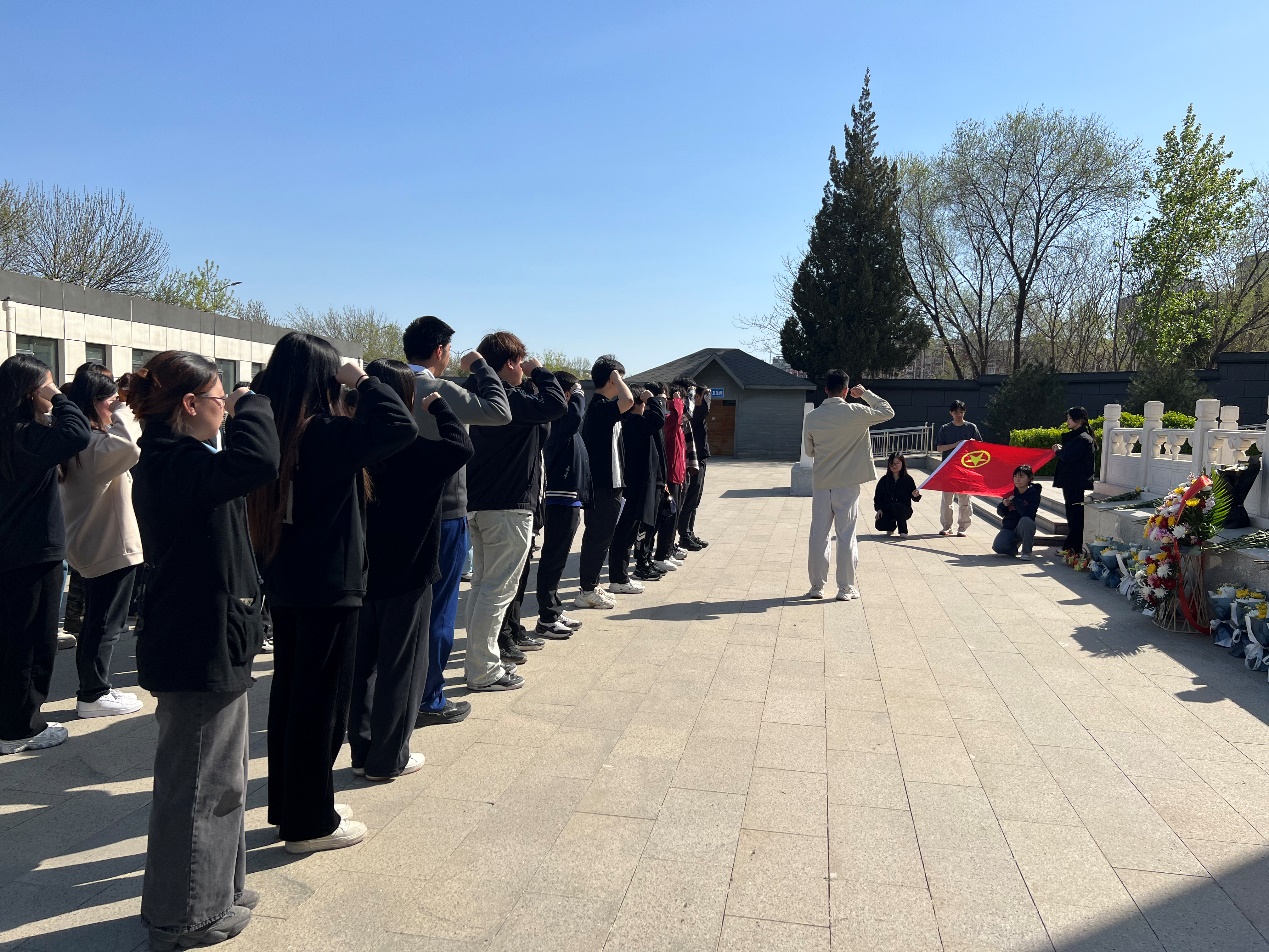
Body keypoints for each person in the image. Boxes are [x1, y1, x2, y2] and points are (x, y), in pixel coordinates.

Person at [127, 350, 280, 948]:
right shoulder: (173, 462)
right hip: (195, 642)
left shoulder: (183, 459)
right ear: (189, 405)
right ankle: (183, 916)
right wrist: (255, 402)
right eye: (219, 401)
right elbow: (259, 459)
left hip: (216, 634)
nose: (226, 410)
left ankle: (218, 890)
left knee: (224, 779)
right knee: (197, 785)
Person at [249, 333, 417, 854]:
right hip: (329, 584)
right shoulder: (322, 431)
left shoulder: (273, 428)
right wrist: (364, 381)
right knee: (322, 704)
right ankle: (310, 821)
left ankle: (291, 805)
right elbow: (400, 427)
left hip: (286, 577)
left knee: (291, 696)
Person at [349, 359, 472, 782]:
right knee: (402, 668)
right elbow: (461, 446)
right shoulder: (415, 450)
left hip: (360, 574)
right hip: (409, 573)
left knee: (362, 669)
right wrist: (440, 407)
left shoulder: (352, 445)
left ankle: (362, 751)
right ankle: (389, 759)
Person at [402, 316, 512, 726]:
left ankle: (392, 692)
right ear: (440, 350)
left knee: (400, 607)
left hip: (391, 510)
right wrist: (481, 367)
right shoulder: (436, 389)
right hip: (444, 511)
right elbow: (499, 412)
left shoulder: (381, 385)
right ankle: (429, 697)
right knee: (439, 609)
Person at [463, 331, 566, 691]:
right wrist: (541, 372)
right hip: (508, 508)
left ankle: (480, 662)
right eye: (520, 362)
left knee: (482, 588)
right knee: (495, 592)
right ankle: (483, 670)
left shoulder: (479, 396)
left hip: (480, 505)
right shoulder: (508, 399)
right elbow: (556, 405)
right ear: (509, 363)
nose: (524, 368)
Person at [0, 355, 91, 755]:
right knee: (32, 642)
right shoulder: (29, 436)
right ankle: (22, 727)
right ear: (30, 392)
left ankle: (11, 720)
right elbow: (78, 434)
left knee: (11, 639)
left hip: (11, 550)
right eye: (46, 385)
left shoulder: (11, 433)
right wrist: (59, 398)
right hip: (35, 552)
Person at [59, 367, 145, 718]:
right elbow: (129, 446)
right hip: (110, 546)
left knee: (98, 621)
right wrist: (127, 405)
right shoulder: (93, 445)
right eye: (110, 401)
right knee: (105, 624)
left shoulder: (78, 442)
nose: (116, 407)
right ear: (94, 403)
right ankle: (93, 694)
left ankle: (96, 689)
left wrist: (118, 404)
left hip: (94, 543)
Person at [803, 370, 894, 600]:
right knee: (845, 535)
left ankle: (817, 586)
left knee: (818, 535)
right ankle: (845, 587)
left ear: (826, 389)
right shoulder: (857, 412)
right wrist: (865, 394)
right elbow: (887, 411)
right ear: (846, 390)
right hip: (848, 483)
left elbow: (809, 451)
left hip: (822, 483)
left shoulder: (812, 417)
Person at [576, 355, 636, 606]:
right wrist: (616, 377)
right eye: (619, 378)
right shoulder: (599, 407)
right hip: (602, 484)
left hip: (611, 483)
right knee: (598, 537)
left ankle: (592, 585)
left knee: (602, 537)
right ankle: (587, 590)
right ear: (612, 379)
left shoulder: (606, 408)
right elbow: (629, 400)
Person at [536, 370, 589, 638]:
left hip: (570, 497)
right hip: (559, 497)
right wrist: (577, 393)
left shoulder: (566, 422)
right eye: (575, 391)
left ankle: (554, 609)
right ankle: (547, 617)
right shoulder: (558, 419)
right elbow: (576, 415)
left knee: (558, 558)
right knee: (553, 557)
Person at [612, 387, 668, 587]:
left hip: (637, 485)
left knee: (630, 532)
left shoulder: (633, 422)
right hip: (634, 487)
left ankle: (622, 576)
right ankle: (619, 578)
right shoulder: (633, 422)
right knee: (626, 533)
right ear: (637, 404)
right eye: (643, 404)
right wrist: (652, 399)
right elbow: (659, 419)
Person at [1052, 406, 1096, 555]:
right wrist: (1061, 449)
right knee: (1071, 514)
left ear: (1079, 420)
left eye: (1070, 419)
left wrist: (1059, 451)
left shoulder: (1083, 438)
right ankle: (1072, 547)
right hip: (1071, 482)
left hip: (1075, 482)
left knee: (1075, 516)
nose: (1068, 421)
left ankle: (1071, 547)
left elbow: (1069, 457)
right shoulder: (1078, 437)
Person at [652, 384, 687, 573]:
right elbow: (676, 416)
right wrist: (676, 400)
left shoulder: (676, 424)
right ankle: (661, 556)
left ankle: (667, 551)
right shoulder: (667, 422)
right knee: (668, 517)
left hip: (677, 475)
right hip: (670, 476)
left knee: (674, 516)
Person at [936, 400, 982, 537]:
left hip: (965, 469)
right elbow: (939, 448)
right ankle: (946, 526)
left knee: (964, 499)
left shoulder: (971, 427)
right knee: (947, 500)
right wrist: (956, 445)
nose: (959, 415)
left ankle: (962, 527)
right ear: (951, 413)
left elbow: (980, 446)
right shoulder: (945, 428)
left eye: (961, 412)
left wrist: (971, 444)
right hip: (948, 468)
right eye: (956, 412)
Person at [679, 380, 710, 549]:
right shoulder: (690, 413)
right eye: (700, 396)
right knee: (689, 500)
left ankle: (689, 532)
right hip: (693, 460)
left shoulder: (696, 412)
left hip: (701, 457)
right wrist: (700, 398)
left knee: (695, 500)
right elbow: (704, 410)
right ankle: (684, 536)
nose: (704, 399)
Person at [993, 465, 1042, 558]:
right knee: (998, 547)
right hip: (1009, 528)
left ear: (1029, 479)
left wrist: (1016, 501)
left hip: (1024, 527)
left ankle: (1026, 552)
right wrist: (1003, 505)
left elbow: (1028, 514)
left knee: (1026, 520)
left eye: (1021, 477)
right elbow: (1001, 513)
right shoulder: (1010, 492)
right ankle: (1014, 546)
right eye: (1015, 476)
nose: (1017, 479)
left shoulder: (1034, 494)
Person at [873, 451, 921, 536]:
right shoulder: (884, 480)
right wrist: (879, 509)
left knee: (898, 507)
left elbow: (914, 496)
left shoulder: (908, 479)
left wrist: (915, 495)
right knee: (880, 524)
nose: (894, 466)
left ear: (902, 464)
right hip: (888, 508)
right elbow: (878, 497)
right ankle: (891, 526)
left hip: (904, 509)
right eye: (892, 463)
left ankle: (903, 531)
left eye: (897, 463)